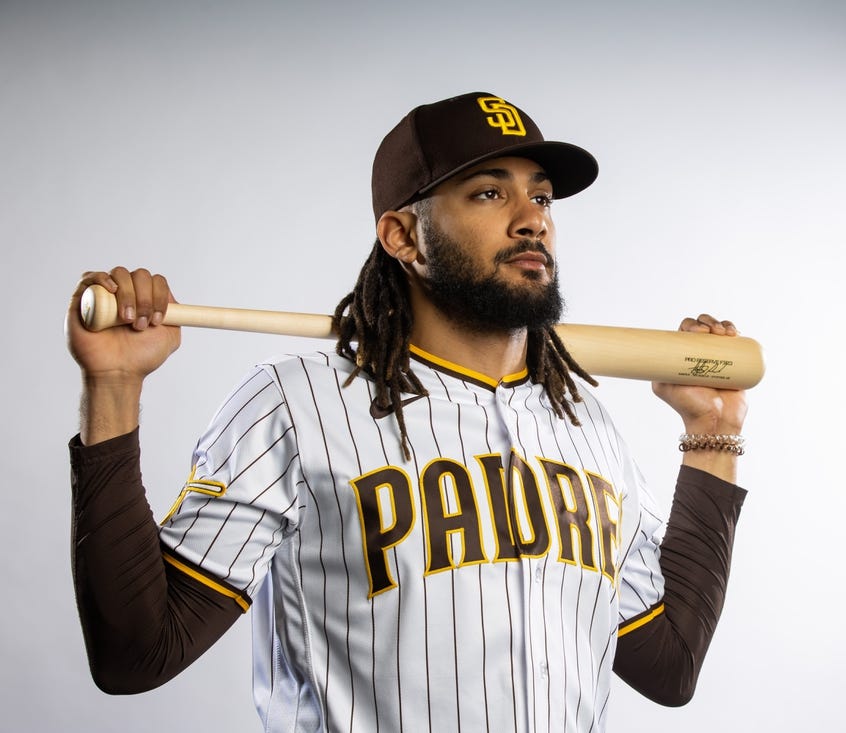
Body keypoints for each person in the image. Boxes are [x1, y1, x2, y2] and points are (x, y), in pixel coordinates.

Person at [65, 92, 750, 733]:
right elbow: (137, 654)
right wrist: (115, 388)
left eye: (540, 195)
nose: (532, 215)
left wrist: (711, 430)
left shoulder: (587, 427)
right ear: (402, 235)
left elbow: (668, 665)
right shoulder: (296, 406)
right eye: (489, 192)